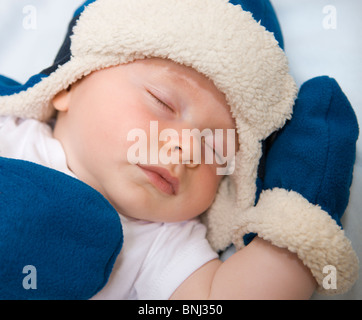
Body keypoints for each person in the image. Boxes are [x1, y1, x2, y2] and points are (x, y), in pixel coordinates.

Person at [0, 0, 358, 300]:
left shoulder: (162, 241)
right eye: (162, 103)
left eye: (216, 149)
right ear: (69, 84)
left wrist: (297, 214)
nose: (187, 150)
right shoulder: (10, 133)